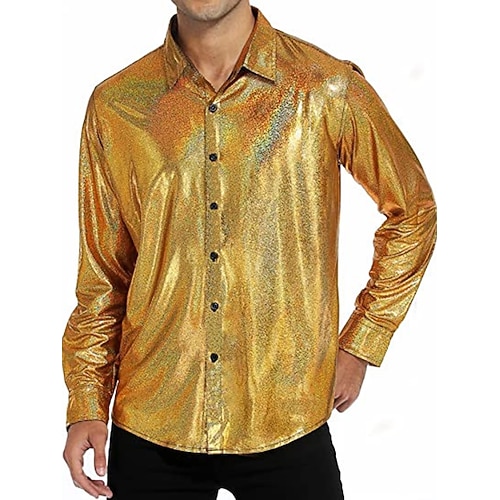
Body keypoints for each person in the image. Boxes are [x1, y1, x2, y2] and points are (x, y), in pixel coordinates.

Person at [62, 1, 437, 498]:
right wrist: (87, 400)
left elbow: (413, 211)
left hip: (287, 416)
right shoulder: (116, 105)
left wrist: (363, 340)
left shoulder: (325, 87)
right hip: (152, 417)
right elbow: (104, 275)